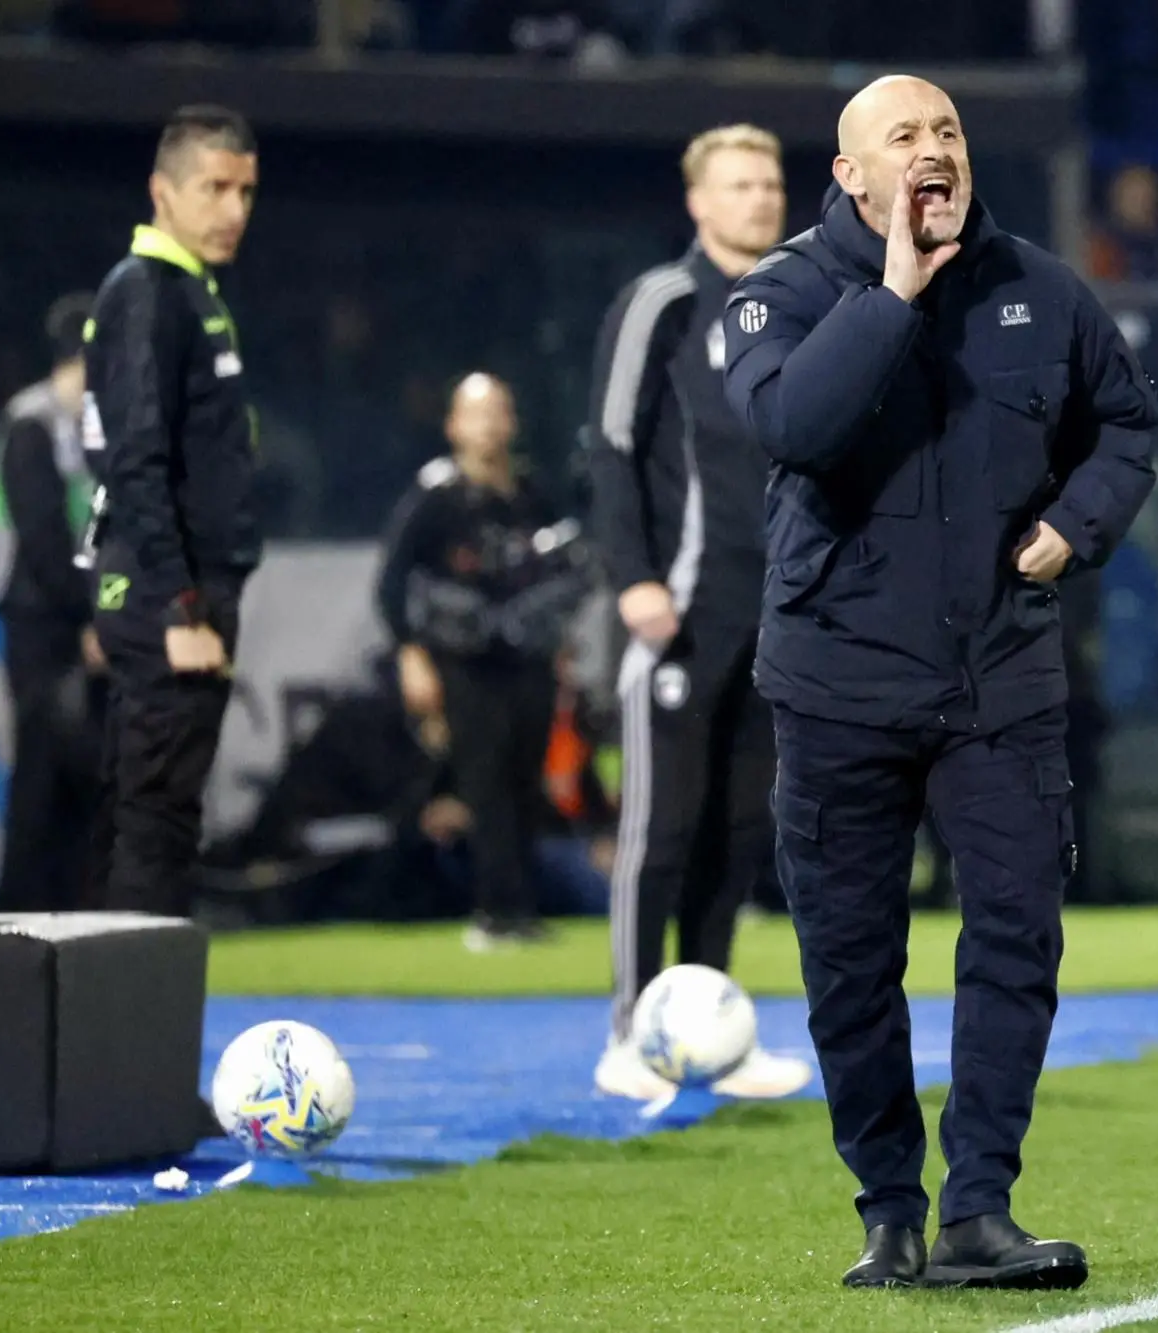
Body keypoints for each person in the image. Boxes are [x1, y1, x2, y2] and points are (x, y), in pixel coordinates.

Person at [721, 75, 1158, 1290]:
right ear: (851, 177)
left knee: (1018, 933)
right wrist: (897, 292)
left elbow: (1126, 425)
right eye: (904, 137)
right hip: (838, 680)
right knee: (851, 962)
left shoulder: (1039, 289)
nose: (935, 151)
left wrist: (1080, 521)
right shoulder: (783, 295)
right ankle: (888, 1207)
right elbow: (797, 429)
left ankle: (978, 1207)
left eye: (948, 132)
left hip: (998, 676)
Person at [585, 124, 813, 1103]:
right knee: (662, 829)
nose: (761, 198)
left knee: (737, 830)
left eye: (769, 182)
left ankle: (709, 1033)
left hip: (778, 606)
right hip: (679, 602)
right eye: (739, 183)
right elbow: (608, 442)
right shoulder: (663, 301)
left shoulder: (800, 302)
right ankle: (630, 1032)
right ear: (698, 201)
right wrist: (631, 576)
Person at [84, 105, 261, 917]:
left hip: (186, 591)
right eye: (214, 188)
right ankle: (125, 1036)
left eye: (245, 191)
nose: (233, 210)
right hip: (168, 597)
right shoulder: (148, 292)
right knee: (154, 819)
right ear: (163, 190)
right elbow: (136, 460)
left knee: (161, 811)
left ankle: (119, 1029)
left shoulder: (191, 292)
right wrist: (179, 603)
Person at [376, 374, 585, 950]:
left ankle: (523, 907)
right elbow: (393, 582)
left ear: (511, 422)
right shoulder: (436, 496)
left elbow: (561, 574)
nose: (489, 424)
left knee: (524, 780)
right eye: (476, 413)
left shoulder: (530, 493)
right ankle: (494, 911)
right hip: (466, 662)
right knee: (484, 783)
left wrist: (559, 642)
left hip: (528, 660)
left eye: (498, 411)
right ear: (453, 426)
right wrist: (412, 654)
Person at [0, 295, 107, 910]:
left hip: (69, 619)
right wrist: (89, 617)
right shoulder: (34, 423)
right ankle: (22, 909)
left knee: (74, 775)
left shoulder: (80, 428)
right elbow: (44, 540)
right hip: (35, 620)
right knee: (40, 771)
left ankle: (68, 908)